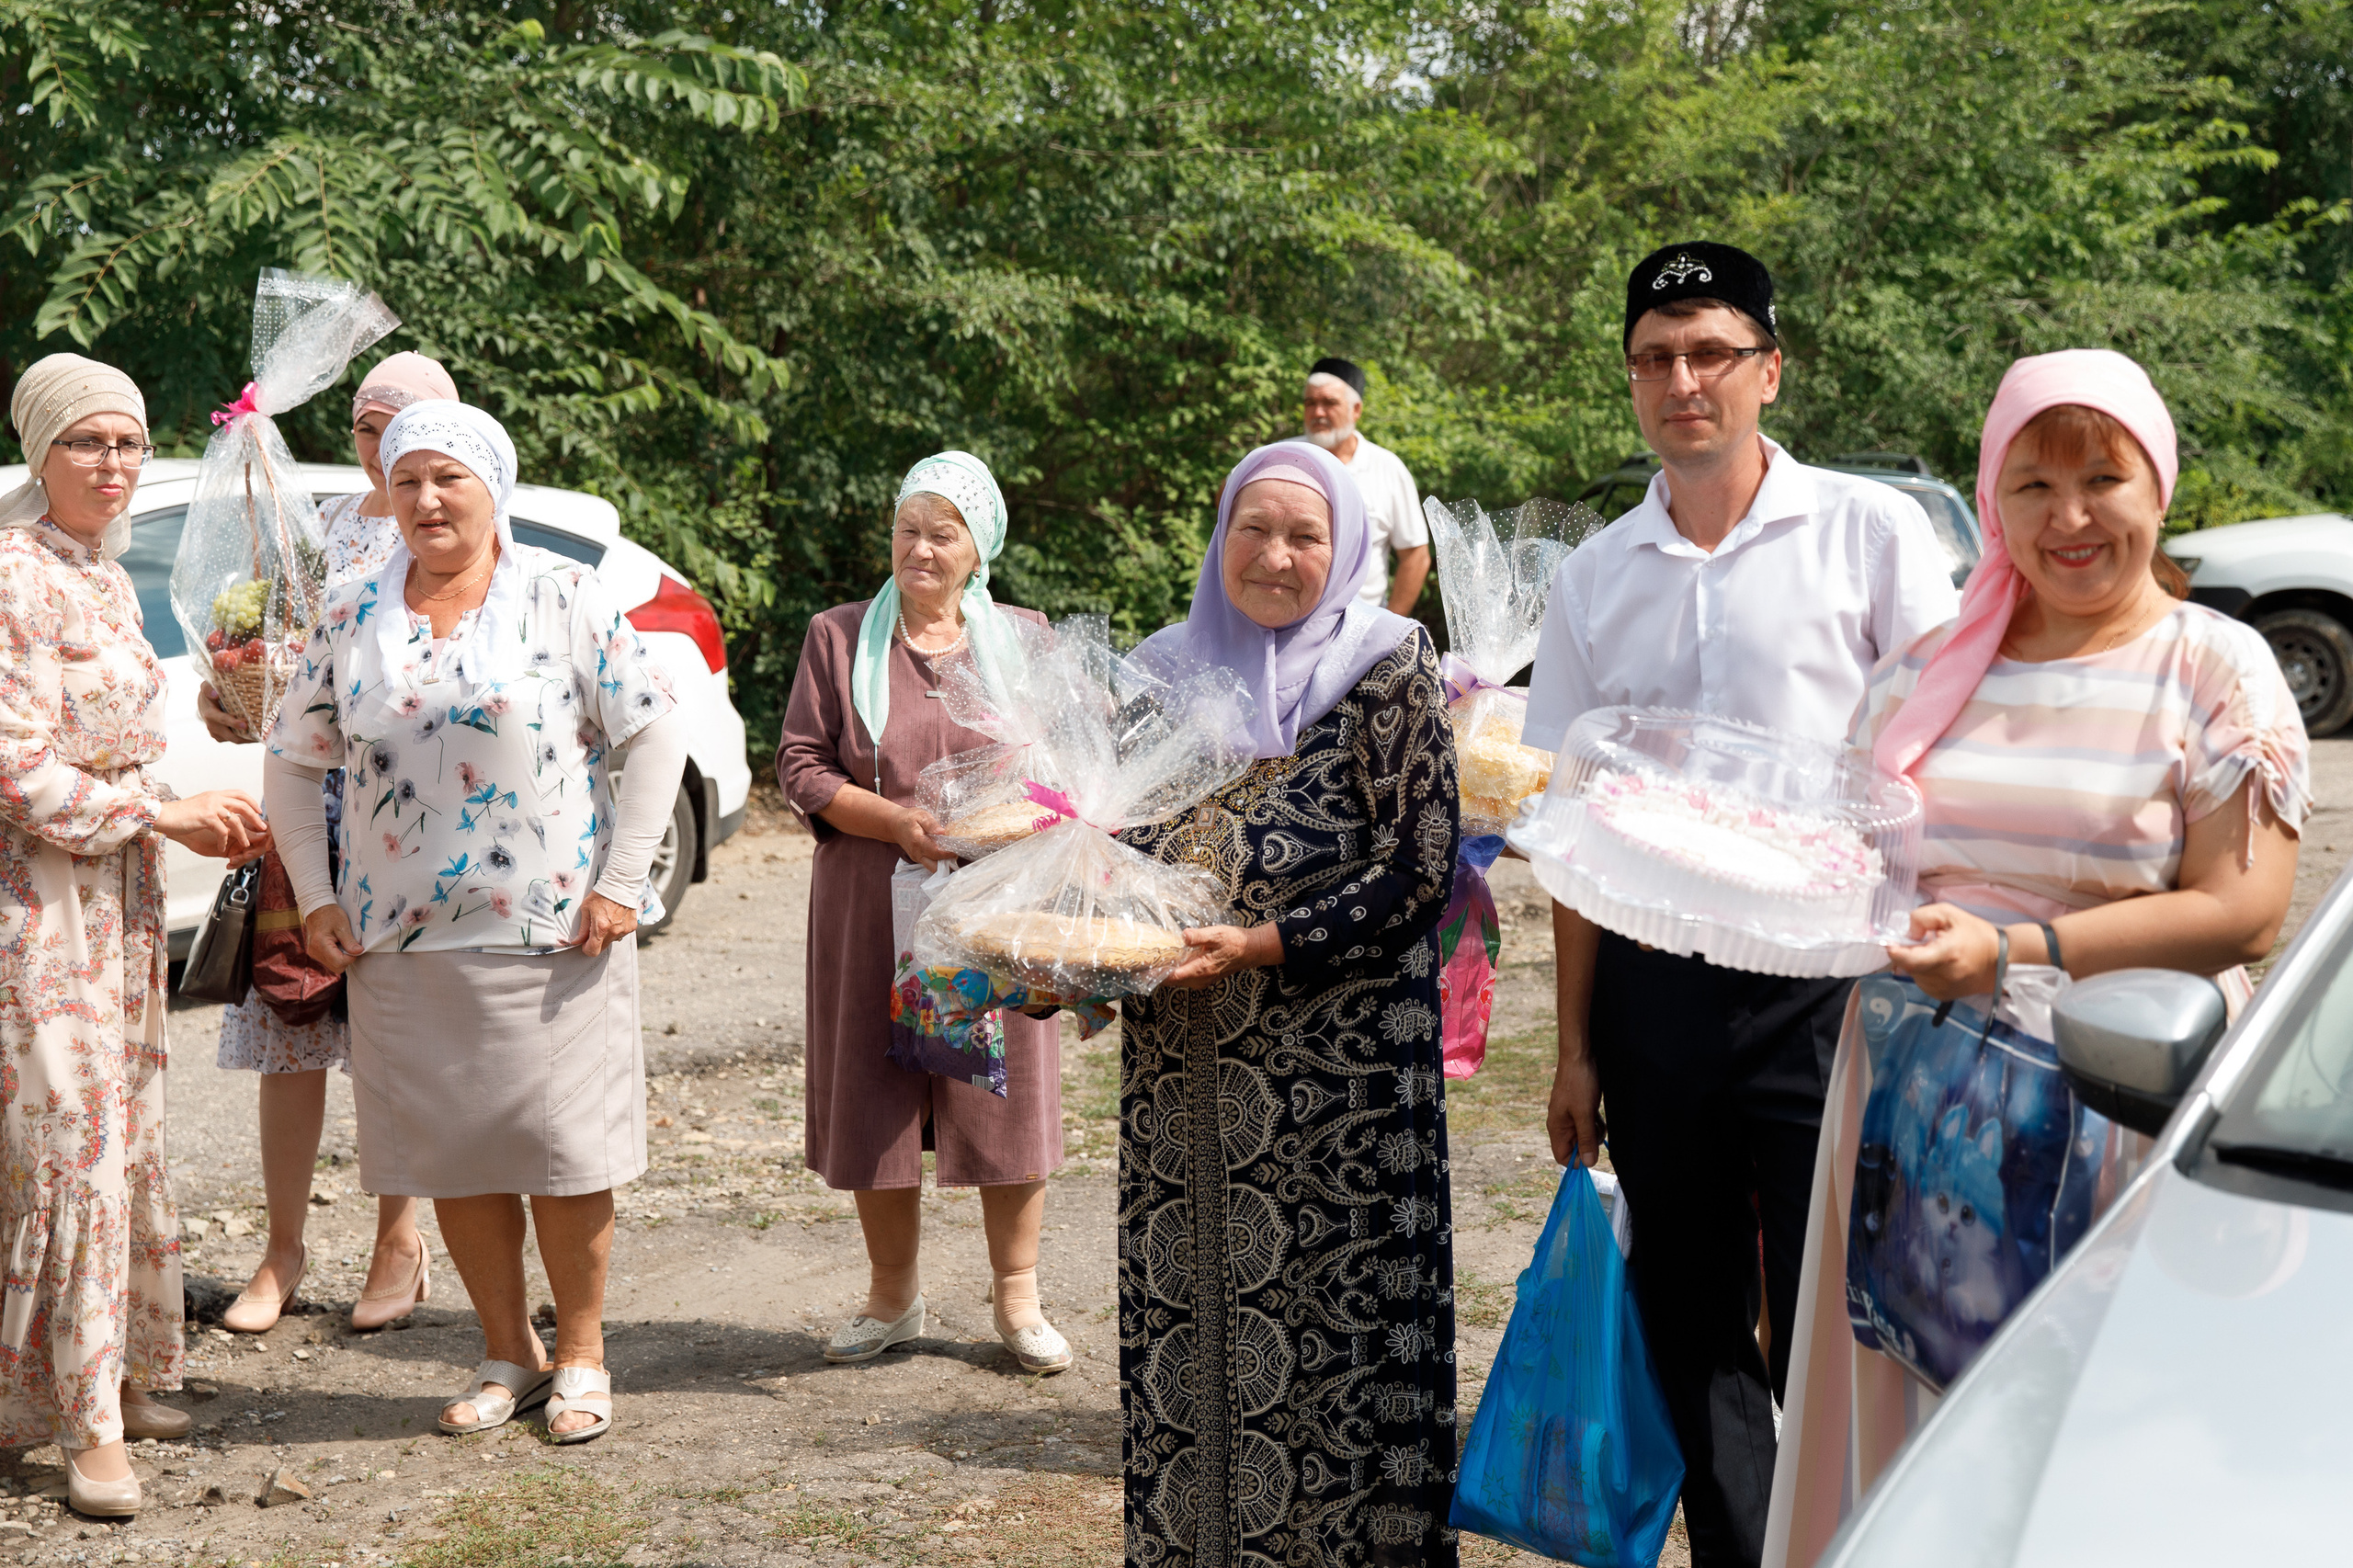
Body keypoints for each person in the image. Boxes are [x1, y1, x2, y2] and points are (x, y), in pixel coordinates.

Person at [1763, 350, 2307, 1566]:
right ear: (1991, 500)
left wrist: (2015, 947)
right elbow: (1853, 867)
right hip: (1916, 1110)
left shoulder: (2213, 665)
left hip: (2119, 1106)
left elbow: (2242, 908)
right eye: (2033, 484)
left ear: (2158, 485)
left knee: (2097, 1443)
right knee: (1913, 1419)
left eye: (2101, 478)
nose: (2069, 517)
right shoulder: (1925, 674)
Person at [1520, 242, 1960, 1568]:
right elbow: (1571, 827)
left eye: (1712, 352)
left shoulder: (1870, 534)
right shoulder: (1596, 572)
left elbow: (1944, 747)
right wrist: (1579, 1045)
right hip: (1658, 992)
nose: (1683, 380)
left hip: (1834, 983)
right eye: (1656, 358)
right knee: (1690, 1311)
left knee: (1847, 1310)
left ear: (1770, 369)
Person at [263, 400, 688, 1445]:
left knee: (563, 1151)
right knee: (455, 1151)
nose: (427, 499)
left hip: (551, 933)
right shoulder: (353, 608)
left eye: (448, 477)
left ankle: (583, 1350)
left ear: (493, 487)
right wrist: (314, 896)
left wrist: (623, 881)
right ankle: (510, 1350)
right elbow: (290, 756)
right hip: (398, 942)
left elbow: (655, 730)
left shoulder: (562, 595)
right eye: (406, 481)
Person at [1118, 440, 1461, 1567]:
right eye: (1249, 528)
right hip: (1188, 1071)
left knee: (1346, 1348)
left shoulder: (1387, 664)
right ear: (1217, 535)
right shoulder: (1158, 673)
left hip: (1346, 1079)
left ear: (1348, 548)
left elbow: (1422, 866)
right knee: (1195, 1341)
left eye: (1304, 534)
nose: (1272, 554)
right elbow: (1107, 850)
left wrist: (1264, 942)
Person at [0, 355, 269, 1515]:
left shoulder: (104, 577)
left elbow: (121, 735)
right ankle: (78, 1417)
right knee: (66, 1142)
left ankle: (125, 1364)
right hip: (36, 898)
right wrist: (164, 812)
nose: (113, 464)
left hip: (115, 898)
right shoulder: (11, 576)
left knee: (128, 1128)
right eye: (87, 443)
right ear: (38, 453)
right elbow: (15, 769)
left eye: (129, 441)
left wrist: (229, 706)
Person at [777, 452, 1072, 1375]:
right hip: (874, 897)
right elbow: (800, 765)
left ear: (979, 547)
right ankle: (890, 1293)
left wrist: (1016, 823)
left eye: (943, 532)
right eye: (908, 527)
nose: (920, 547)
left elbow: (1065, 763)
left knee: (1004, 1087)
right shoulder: (838, 636)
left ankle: (1017, 1296)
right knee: (875, 1087)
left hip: (993, 901)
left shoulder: (1025, 640)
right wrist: (897, 823)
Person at [196, 351, 457, 1335]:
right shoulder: (321, 529)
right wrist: (229, 691)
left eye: (403, 421)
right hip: (309, 804)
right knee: (288, 1028)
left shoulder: (456, 531)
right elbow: (265, 649)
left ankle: (402, 1235)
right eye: (365, 424)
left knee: (397, 1034)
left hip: (411, 813)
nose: (383, 442)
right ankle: (284, 1246)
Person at [1303, 356, 1431, 613]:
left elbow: (1415, 556)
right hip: (1283, 629)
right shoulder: (1281, 456)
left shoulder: (1387, 468)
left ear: (1356, 410)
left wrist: (1389, 628)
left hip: (1360, 627)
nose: (1318, 412)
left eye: (1329, 403)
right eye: (1310, 403)